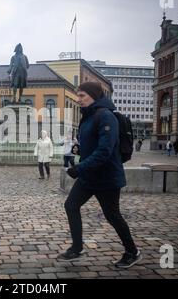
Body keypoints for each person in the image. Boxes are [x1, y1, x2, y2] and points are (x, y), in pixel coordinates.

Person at [60, 82, 141, 269]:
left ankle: (132, 252)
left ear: (94, 96)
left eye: (82, 96)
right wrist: (80, 148)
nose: (78, 99)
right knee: (71, 205)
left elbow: (105, 151)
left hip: (107, 177)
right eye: (77, 95)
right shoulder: (88, 116)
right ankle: (77, 247)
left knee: (112, 216)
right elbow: (92, 143)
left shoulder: (105, 116)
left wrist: (79, 168)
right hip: (89, 176)